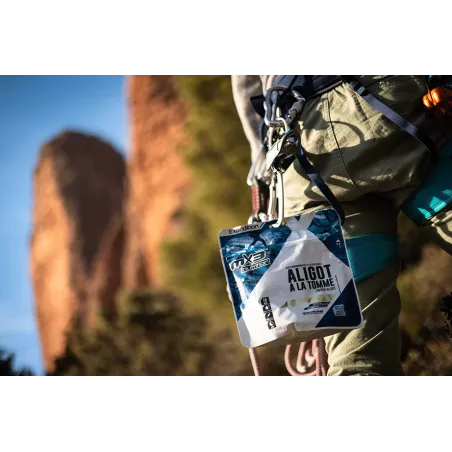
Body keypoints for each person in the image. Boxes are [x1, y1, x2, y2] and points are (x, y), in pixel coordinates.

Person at [231, 73, 452, 376]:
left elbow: (245, 80)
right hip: (397, 112)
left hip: (301, 156)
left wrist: (265, 165)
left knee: (358, 362)